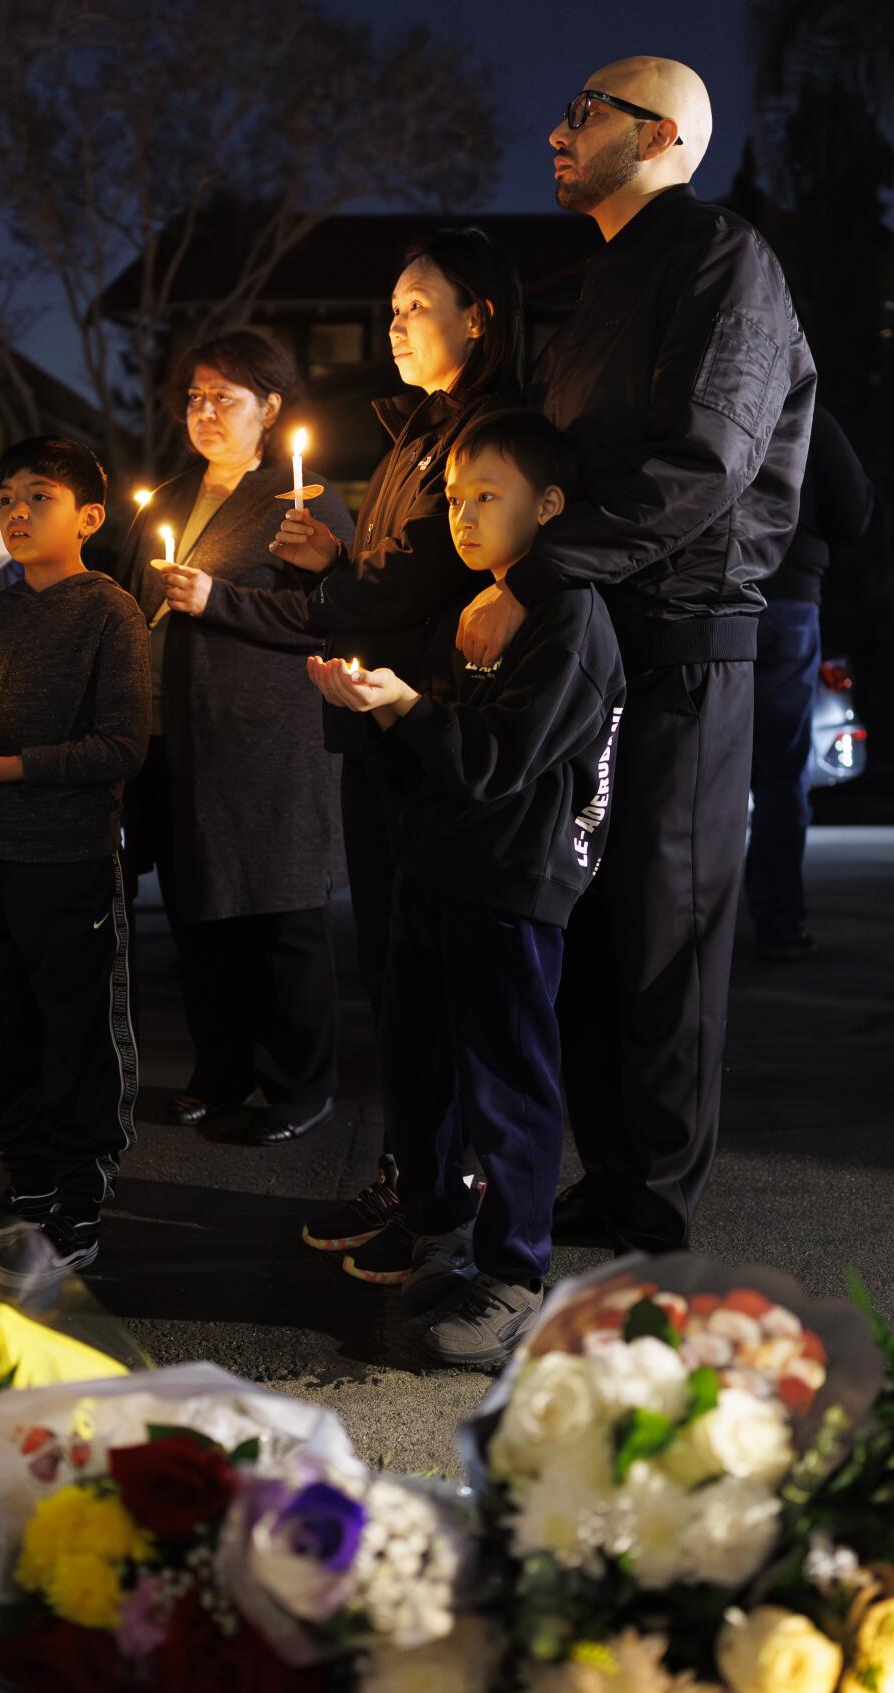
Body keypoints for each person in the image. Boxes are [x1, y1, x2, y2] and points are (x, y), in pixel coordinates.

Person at [454, 58, 817, 1255]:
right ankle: (613, 1175)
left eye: (583, 113)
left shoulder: (720, 256)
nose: (557, 130)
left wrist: (538, 574)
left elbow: (707, 465)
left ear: (658, 133)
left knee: (667, 925)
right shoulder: (613, 271)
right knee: (600, 922)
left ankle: (656, 1201)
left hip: (687, 633)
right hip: (605, 630)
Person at [163, 229, 523, 1200]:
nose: (394, 324)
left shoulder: (465, 437)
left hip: (378, 720)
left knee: (362, 945)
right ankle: (406, 1170)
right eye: (392, 309)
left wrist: (272, 591)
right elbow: (372, 575)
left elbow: (394, 583)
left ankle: (432, 1175)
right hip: (307, 723)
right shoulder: (411, 436)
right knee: (339, 949)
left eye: (415, 307)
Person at [307, 410, 624, 1365]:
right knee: (414, 1060)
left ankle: (515, 1273)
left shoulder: (570, 617)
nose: (465, 514)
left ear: (550, 505)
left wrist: (404, 707)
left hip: (514, 885)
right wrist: (375, 713)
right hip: (437, 873)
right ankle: (434, 1214)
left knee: (507, 1078)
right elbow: (436, 762)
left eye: (488, 495)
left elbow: (501, 763)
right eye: (453, 498)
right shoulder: (471, 610)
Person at [119, 330, 354, 1146]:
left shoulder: (305, 502)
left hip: (266, 742)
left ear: (271, 409)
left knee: (281, 918)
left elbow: (328, 615)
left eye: (226, 397)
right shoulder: (173, 494)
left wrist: (219, 599)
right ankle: (221, 1072)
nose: (206, 412)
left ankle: (300, 1085)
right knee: (199, 913)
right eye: (194, 397)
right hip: (174, 733)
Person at [0, 437, 149, 1284]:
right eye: (8, 498)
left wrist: (9, 765)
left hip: (64, 856)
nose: (18, 513)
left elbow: (123, 745)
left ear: (90, 517)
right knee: (1, 1025)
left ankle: (80, 1200)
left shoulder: (108, 611)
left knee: (78, 1031)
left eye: (40, 498)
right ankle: (24, 1184)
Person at [746, 405, 874, 958]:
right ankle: (780, 924)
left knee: (705, 765)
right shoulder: (810, 409)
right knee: (781, 773)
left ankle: (687, 930)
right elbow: (855, 511)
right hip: (791, 601)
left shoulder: (711, 387)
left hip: (712, 593)